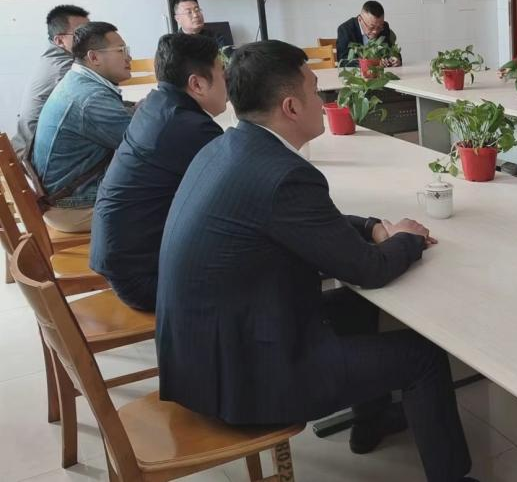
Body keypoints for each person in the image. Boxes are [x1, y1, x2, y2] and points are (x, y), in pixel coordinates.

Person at [155, 40, 475, 482]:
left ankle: (370, 421)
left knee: (355, 305)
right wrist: (408, 238)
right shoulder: (286, 174)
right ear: (290, 107)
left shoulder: (230, 148)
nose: (324, 100)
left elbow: (303, 222)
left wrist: (369, 226)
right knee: (423, 356)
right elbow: (368, 269)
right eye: (315, 89)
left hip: (204, 354)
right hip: (245, 375)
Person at [90, 33, 227, 311]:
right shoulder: (190, 128)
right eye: (223, 72)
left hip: (124, 263)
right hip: (147, 279)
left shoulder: (156, 105)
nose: (229, 81)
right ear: (197, 84)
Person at [30, 22, 133, 233]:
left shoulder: (77, 81)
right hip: (74, 207)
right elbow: (143, 144)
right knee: (172, 193)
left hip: (65, 195)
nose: (129, 57)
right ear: (94, 57)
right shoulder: (91, 98)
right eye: (121, 51)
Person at [12, 5, 91, 159]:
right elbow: (95, 107)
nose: (92, 39)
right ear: (60, 40)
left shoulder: (56, 57)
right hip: (34, 157)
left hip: (32, 146)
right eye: (82, 34)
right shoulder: (65, 69)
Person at [336, 0, 401, 67]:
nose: (375, 31)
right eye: (371, 27)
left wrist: (396, 59)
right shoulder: (345, 29)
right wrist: (371, 63)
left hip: (380, 72)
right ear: (360, 20)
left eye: (379, 27)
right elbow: (342, 61)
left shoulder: (385, 27)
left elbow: (392, 51)